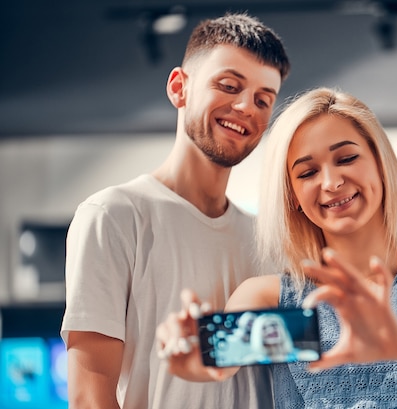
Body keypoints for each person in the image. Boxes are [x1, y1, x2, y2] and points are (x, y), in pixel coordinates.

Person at [156, 87, 397, 408]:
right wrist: (188, 352)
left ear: (380, 164)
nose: (331, 183)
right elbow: (217, 358)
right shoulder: (272, 298)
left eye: (346, 158)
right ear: (293, 198)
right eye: (307, 173)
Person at [60, 13, 290, 409]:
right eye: (229, 85)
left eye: (263, 99)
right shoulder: (112, 216)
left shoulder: (270, 241)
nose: (244, 106)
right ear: (179, 88)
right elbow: (89, 397)